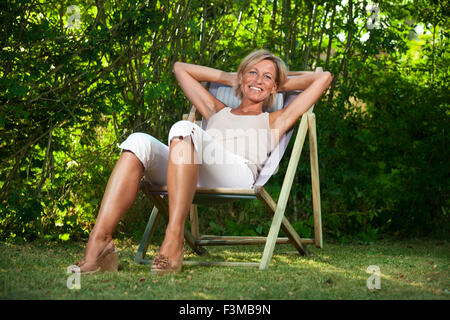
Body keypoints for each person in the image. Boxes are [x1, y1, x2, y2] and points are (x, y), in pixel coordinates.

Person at [69, 49, 332, 275]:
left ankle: (174, 240)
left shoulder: (277, 120)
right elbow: (180, 68)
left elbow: (323, 78)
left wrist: (278, 83)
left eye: (267, 77)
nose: (258, 80)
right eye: (252, 72)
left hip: (236, 174)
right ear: (241, 77)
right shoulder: (216, 109)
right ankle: (100, 245)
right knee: (137, 142)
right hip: (187, 169)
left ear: (275, 87)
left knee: (185, 128)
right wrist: (234, 78)